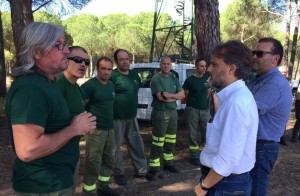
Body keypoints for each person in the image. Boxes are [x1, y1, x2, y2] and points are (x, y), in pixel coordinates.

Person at [5, 22, 96, 195]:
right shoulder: (30, 89)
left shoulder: (48, 83)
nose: (66, 51)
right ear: (37, 52)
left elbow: (51, 123)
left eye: (65, 45)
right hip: (42, 187)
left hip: (56, 183)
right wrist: (73, 129)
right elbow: (27, 150)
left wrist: (78, 125)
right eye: (58, 45)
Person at [194, 40, 259, 196]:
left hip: (225, 184)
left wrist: (203, 186)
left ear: (231, 69)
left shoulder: (236, 103)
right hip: (226, 182)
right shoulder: (234, 98)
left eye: (215, 65)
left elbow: (227, 159)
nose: (208, 69)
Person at [249, 37, 292, 196]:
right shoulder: (259, 79)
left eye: (259, 54)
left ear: (275, 58)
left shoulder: (274, 84)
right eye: (254, 53)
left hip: (262, 147)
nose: (254, 57)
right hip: (256, 144)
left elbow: (244, 112)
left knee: (256, 189)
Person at [109, 49, 151, 185]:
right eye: (121, 59)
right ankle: (119, 173)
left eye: (127, 59)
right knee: (115, 148)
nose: (125, 61)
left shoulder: (134, 75)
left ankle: (141, 171)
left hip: (132, 117)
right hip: (116, 118)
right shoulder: (112, 76)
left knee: (137, 145)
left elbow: (135, 90)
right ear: (116, 61)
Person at [81, 57, 119, 196]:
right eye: (103, 68)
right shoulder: (89, 86)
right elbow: (79, 106)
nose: (106, 72)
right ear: (97, 68)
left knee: (109, 158)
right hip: (95, 131)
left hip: (110, 129)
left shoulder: (110, 85)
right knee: (93, 161)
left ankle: (103, 186)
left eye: (109, 69)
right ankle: (89, 191)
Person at [56, 45, 90, 194]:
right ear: (66, 60)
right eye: (77, 59)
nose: (83, 64)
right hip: (55, 154)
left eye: (86, 62)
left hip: (73, 151)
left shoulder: (78, 89)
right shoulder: (57, 84)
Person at [146, 56, 185, 178]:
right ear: (160, 65)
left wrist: (170, 95)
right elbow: (160, 98)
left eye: (168, 64)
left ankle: (168, 163)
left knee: (170, 139)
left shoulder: (173, 78)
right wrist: (175, 96)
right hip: (161, 113)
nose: (166, 66)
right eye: (164, 64)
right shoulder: (156, 79)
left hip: (173, 112)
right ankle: (154, 167)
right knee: (158, 141)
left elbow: (182, 95)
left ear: (171, 65)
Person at [183, 58, 210, 166]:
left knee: (207, 133)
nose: (204, 68)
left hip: (205, 110)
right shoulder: (189, 80)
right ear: (196, 67)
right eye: (201, 66)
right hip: (192, 110)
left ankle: (206, 154)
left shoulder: (207, 79)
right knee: (192, 134)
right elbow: (185, 95)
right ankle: (194, 156)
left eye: (205, 66)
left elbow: (208, 93)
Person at [278, 65, 290, 146]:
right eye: (281, 72)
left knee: (284, 122)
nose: (283, 74)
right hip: (276, 107)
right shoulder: (274, 81)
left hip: (284, 106)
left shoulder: (288, 82)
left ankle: (282, 138)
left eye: (285, 72)